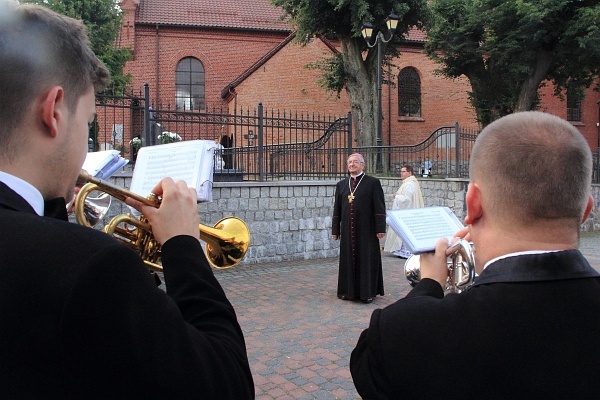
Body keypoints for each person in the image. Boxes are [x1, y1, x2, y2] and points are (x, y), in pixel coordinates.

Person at [0, 4, 254, 398]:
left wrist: (52, 218)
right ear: (53, 113)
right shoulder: (94, 266)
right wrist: (183, 245)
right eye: (88, 123)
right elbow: (228, 383)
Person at [350, 111, 600, 399]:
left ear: (473, 203)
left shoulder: (407, 330)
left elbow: (367, 365)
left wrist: (428, 286)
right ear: (585, 210)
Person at [332, 153, 386, 304]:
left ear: (363, 165)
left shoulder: (372, 183)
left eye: (355, 162)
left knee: (366, 259)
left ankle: (366, 293)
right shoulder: (342, 184)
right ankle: (346, 291)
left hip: (367, 230)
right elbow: (337, 209)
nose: (352, 164)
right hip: (348, 231)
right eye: (349, 162)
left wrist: (380, 227)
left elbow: (380, 207)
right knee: (347, 259)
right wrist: (335, 230)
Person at [383, 165, 424, 258]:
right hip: (408, 212)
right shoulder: (411, 183)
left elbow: (406, 200)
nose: (401, 173)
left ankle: (405, 252)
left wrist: (396, 196)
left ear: (410, 173)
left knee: (404, 234)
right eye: (401, 171)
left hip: (406, 213)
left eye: (404, 171)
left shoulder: (409, 184)